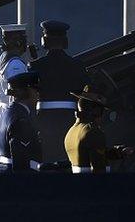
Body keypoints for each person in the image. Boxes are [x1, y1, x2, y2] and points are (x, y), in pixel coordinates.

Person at [28, 20, 88, 163]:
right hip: (70, 119)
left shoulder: (36, 66)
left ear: (44, 40)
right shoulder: (77, 65)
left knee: (47, 159)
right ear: (65, 41)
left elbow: (30, 95)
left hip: (44, 121)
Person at [64, 86, 130, 173]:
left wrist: (117, 153)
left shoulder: (71, 132)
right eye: (102, 111)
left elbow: (89, 154)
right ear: (96, 111)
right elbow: (99, 171)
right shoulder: (93, 132)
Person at [0, 71, 43, 173]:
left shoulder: (6, 114)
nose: (38, 95)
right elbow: (22, 161)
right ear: (27, 91)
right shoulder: (21, 120)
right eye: (35, 90)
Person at [0, 24, 29, 133]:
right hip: (12, 118)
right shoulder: (15, 64)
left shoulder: (0, 60)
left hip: (1, 116)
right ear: (18, 41)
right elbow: (18, 94)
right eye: (23, 39)